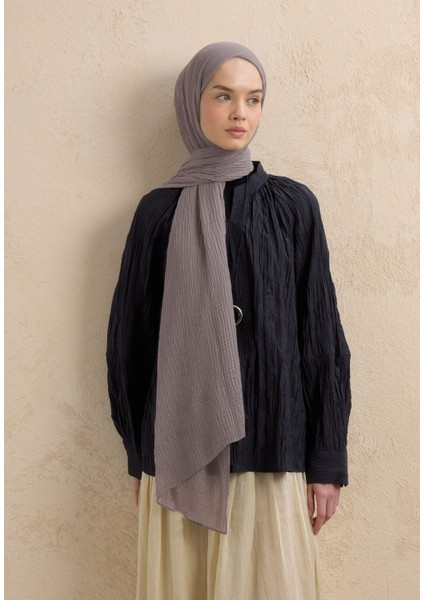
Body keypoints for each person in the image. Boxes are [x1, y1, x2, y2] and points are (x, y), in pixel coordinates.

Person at [106, 41, 351, 600]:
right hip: (178, 455)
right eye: (223, 96)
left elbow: (321, 339)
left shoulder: (292, 206)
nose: (241, 112)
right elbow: (129, 342)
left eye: (253, 99)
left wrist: (327, 461)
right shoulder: (158, 211)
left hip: (274, 447)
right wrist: (139, 457)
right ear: (192, 102)